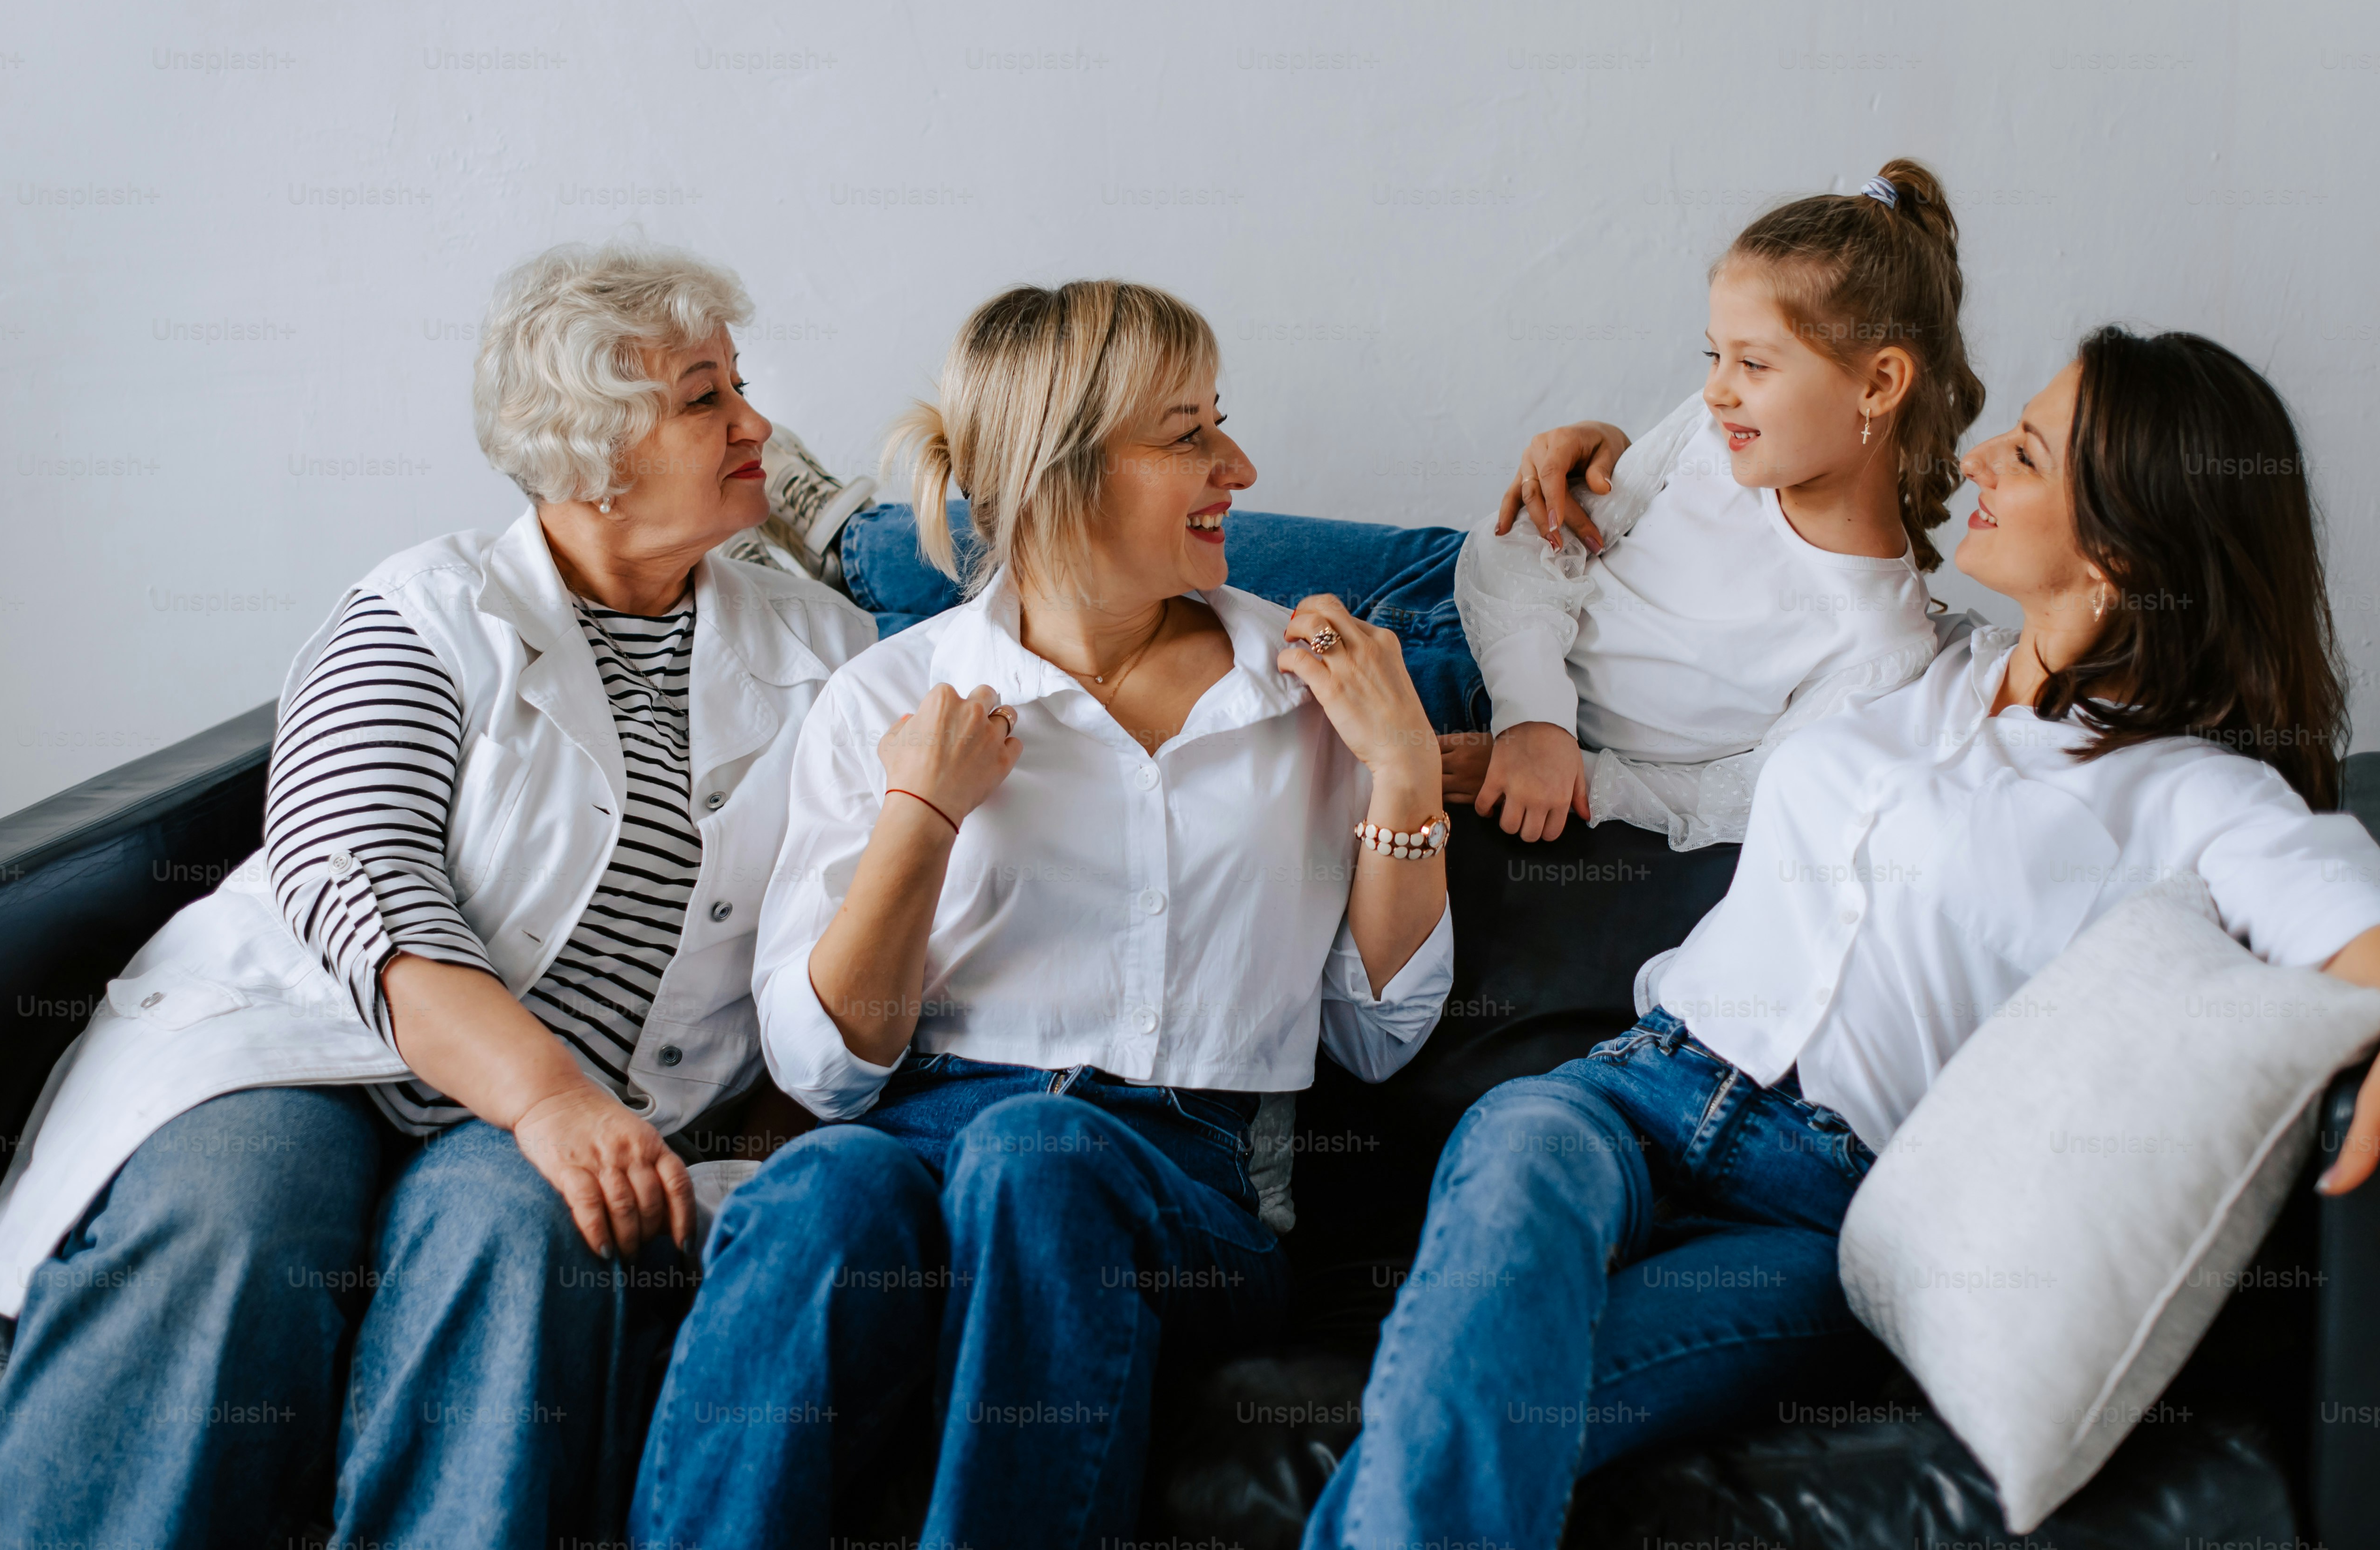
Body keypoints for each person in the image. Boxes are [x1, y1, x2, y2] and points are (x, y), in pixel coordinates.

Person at [1302, 326, 2380, 1549]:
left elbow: (2345, 910)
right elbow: (1757, 465)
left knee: (1487, 1397)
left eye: (2026, 453)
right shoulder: (1914, 659)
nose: (1976, 457)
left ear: (2124, 548)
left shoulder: (2195, 794)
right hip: (1632, 1091)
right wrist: (1614, 464)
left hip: (1820, 1208)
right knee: (1515, 1157)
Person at [0, 242, 875, 1550]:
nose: (755, 425)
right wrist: (548, 1096)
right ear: (590, 454)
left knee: (523, 1232)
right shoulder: (423, 611)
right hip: (310, 1047)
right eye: (704, 397)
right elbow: (354, 868)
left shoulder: (825, 651)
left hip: (567, 1115)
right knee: (238, 1218)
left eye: (736, 386)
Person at [628, 279, 1455, 1550]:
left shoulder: (1309, 693)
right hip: (922, 1140)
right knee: (823, 1184)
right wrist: (921, 812)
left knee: (1040, 1154)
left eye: (1219, 421)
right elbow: (826, 1071)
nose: (1238, 466)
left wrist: (1403, 770)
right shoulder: (892, 697)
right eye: (1189, 434)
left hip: (1186, 1186)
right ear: (1062, 475)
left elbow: (1377, 1035)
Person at [1448, 160, 1985, 848]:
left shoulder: (1879, 640)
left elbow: (1749, 792)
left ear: (1879, 385)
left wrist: (1570, 771)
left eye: (1753, 364)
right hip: (1473, 631)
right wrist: (1533, 721)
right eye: (1715, 357)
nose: (1715, 391)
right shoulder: (1711, 436)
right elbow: (1523, 547)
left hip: (1520, 769)